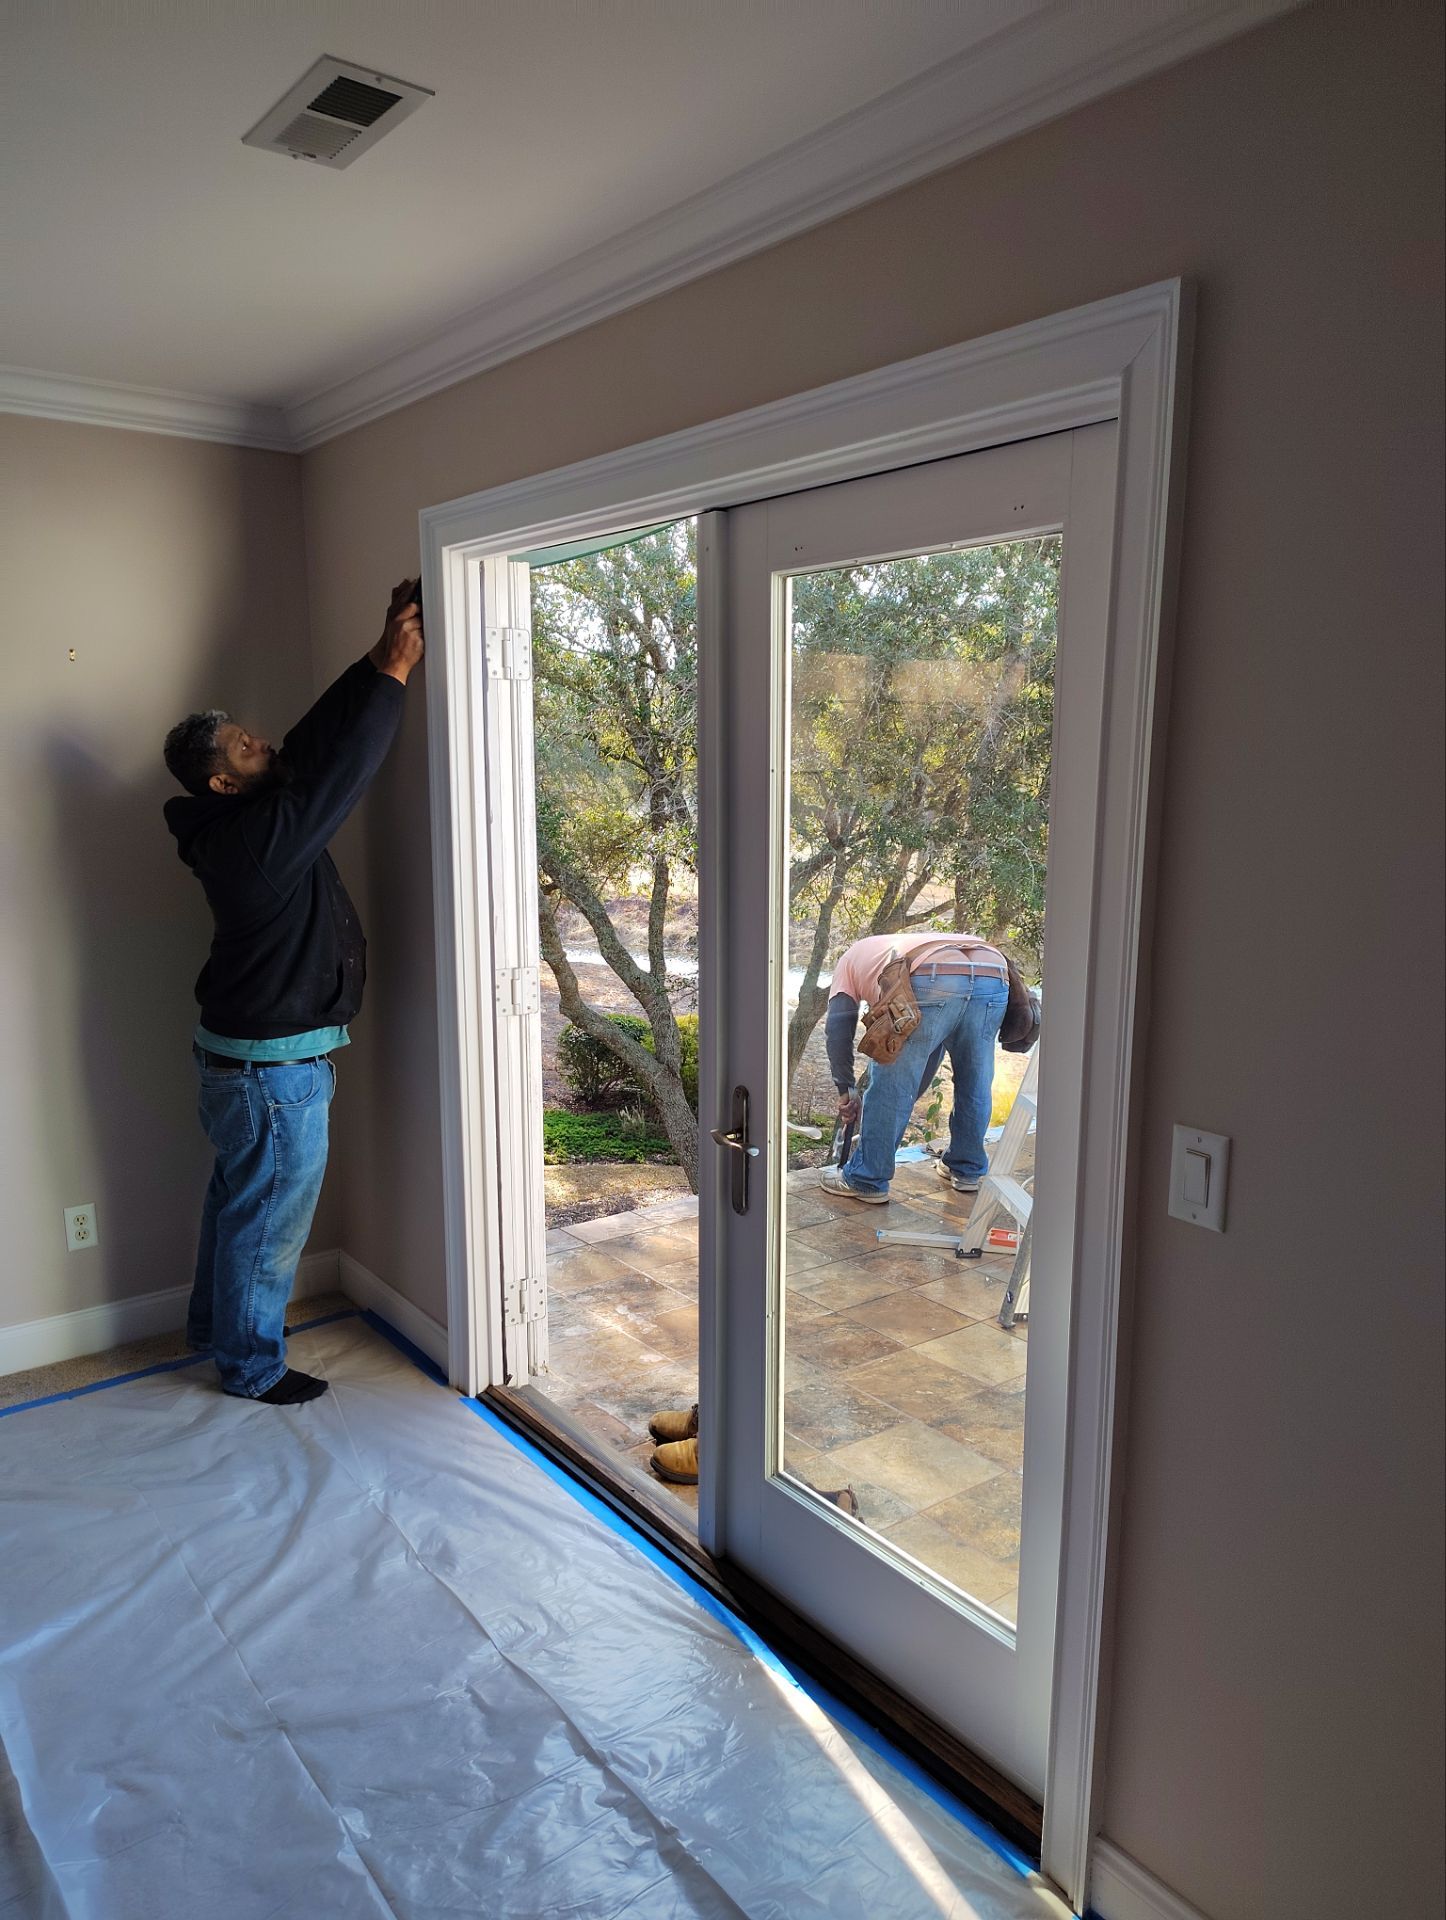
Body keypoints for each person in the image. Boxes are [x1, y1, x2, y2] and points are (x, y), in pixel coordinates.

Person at [161, 581, 423, 1404]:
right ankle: (250, 1366)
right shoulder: (256, 844)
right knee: (267, 1219)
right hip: (270, 1073)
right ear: (223, 786)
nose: (259, 743)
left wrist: (376, 661)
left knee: (238, 1200)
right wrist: (394, 678)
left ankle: (216, 1330)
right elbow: (334, 775)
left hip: (245, 1063)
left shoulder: (238, 822)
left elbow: (306, 750)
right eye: (243, 749)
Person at [819, 931, 1010, 1206]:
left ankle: (866, 1179)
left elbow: (838, 1028)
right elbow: (927, 1054)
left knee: (889, 1084)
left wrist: (845, 1089)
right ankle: (966, 1168)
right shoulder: (894, 945)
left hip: (932, 975)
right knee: (975, 1080)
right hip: (993, 971)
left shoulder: (847, 962)